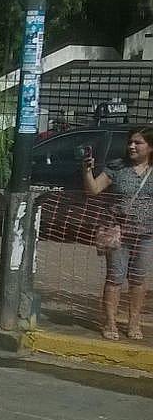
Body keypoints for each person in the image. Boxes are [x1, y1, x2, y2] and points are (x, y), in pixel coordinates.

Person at [83, 126, 153, 341]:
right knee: (115, 278)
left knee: (138, 279)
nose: (132, 146)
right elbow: (93, 189)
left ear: (150, 147)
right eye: (130, 142)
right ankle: (110, 322)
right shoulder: (117, 167)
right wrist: (87, 171)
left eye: (138, 143)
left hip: (147, 234)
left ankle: (134, 322)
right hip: (118, 233)